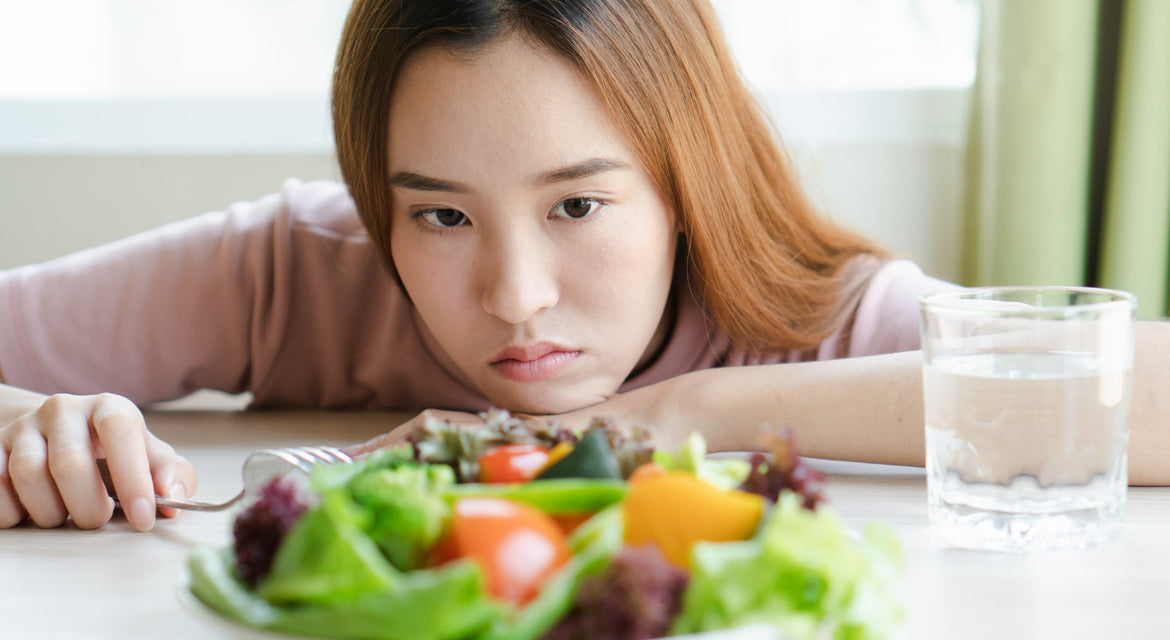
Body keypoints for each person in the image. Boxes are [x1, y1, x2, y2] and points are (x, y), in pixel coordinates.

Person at [1, 0, 1167, 533]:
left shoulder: (813, 315)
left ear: (683, 180)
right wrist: (19, 427)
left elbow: (1141, 389)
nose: (516, 295)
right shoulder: (300, 264)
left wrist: (682, 410)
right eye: (442, 218)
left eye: (578, 203)